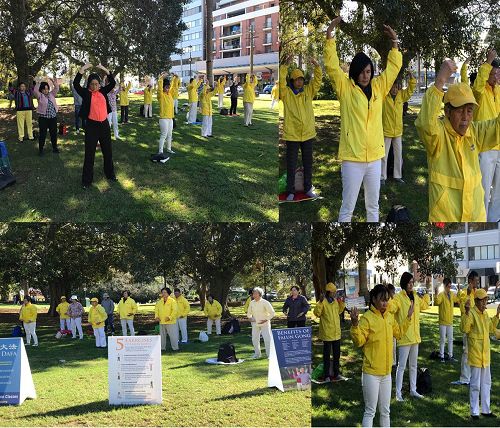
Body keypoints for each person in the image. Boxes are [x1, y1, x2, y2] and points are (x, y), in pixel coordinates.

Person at [325, 17, 402, 222]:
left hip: (375, 157)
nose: (365, 76)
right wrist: (330, 36)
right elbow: (332, 67)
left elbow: (393, 70)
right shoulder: (345, 88)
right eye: (361, 72)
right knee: (347, 208)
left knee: (373, 207)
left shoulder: (379, 87)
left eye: (368, 71)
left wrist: (394, 44)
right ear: (354, 72)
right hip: (352, 159)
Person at [415, 60, 500, 221]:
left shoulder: (474, 132)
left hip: (476, 215)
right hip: (446, 216)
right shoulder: (438, 136)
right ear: (447, 111)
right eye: (460, 111)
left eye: (469, 111)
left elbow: (497, 127)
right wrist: (440, 81)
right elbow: (425, 124)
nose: (465, 118)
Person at [351, 284, 413, 427]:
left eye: (387, 299)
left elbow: (399, 333)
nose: (385, 303)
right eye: (382, 299)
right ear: (373, 299)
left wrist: (408, 317)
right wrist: (355, 325)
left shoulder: (390, 317)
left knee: (385, 411)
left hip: (386, 373)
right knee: (370, 411)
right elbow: (359, 341)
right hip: (371, 373)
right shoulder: (367, 318)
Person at [279, 56, 322, 201]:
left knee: (308, 163)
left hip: (308, 134)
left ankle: (308, 188)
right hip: (292, 135)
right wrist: (285, 65)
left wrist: (317, 67)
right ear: (292, 80)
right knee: (291, 164)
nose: (300, 81)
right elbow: (280, 81)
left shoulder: (308, 92)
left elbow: (317, 82)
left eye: (302, 79)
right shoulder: (285, 93)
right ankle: (290, 191)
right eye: (297, 79)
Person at [73, 63, 117, 189]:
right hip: (92, 126)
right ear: (89, 84)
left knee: (107, 152)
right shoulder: (86, 93)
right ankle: (87, 181)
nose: (94, 86)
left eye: (96, 84)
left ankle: (110, 174)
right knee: (89, 154)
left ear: (99, 84)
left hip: (104, 125)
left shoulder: (103, 91)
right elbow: (76, 84)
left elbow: (112, 83)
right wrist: (82, 69)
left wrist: (104, 69)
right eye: (92, 84)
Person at [461, 288, 499, 419]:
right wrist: (466, 313)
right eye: (482, 301)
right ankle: (474, 412)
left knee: (486, 383)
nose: (484, 303)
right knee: (475, 384)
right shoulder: (471, 313)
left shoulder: (486, 315)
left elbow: (491, 329)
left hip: (486, 356)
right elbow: (464, 329)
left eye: (486, 300)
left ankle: (486, 410)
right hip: (476, 355)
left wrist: (497, 316)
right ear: (476, 301)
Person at [393, 272, 430, 401]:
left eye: (412, 282)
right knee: (401, 366)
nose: (411, 285)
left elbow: (425, 305)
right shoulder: (398, 298)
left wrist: (427, 289)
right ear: (404, 283)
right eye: (409, 282)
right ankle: (398, 393)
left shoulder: (415, 295)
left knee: (413, 365)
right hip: (404, 337)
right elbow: (391, 308)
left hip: (415, 337)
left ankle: (413, 390)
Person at [472, 49, 500, 221]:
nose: (496, 76)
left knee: (498, 190)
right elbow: (476, 88)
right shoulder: (480, 92)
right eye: (493, 72)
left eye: (498, 73)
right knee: (483, 186)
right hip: (485, 146)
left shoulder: (498, 90)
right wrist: (488, 61)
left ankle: (494, 218)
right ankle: (481, 218)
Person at [381, 71, 417, 185]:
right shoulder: (383, 97)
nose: (395, 89)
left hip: (398, 132)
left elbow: (410, 90)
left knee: (398, 154)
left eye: (397, 87)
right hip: (386, 130)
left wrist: (412, 79)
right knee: (384, 155)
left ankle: (398, 176)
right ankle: (382, 177)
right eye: (393, 87)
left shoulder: (402, 95)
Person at [313, 282, 346, 382]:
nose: (335, 293)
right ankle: (326, 375)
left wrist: (342, 303)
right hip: (327, 333)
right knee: (326, 356)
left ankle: (336, 374)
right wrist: (319, 302)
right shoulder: (323, 302)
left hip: (336, 333)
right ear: (328, 292)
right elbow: (317, 313)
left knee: (337, 355)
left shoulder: (336, 301)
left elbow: (339, 311)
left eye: (335, 292)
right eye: (333, 292)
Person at [452, 270, 479, 385]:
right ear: (470, 281)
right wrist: (468, 294)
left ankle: (474, 376)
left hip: (477, 327)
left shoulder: (476, 293)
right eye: (475, 281)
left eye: (478, 281)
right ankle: (464, 378)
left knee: (476, 352)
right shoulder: (464, 293)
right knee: (466, 352)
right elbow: (464, 309)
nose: (477, 283)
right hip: (468, 327)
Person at [33, 75, 60, 156]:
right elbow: (35, 91)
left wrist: (54, 83)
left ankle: (55, 148)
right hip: (43, 119)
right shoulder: (40, 96)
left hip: (53, 118)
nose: (46, 90)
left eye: (47, 88)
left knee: (53, 134)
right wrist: (38, 82)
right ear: (41, 89)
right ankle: (41, 150)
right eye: (44, 89)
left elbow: (56, 89)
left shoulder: (51, 94)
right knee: (43, 134)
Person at [247, 287, 276, 358]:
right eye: (253, 293)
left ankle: (269, 355)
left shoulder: (265, 302)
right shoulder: (251, 303)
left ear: (260, 294)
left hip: (265, 324)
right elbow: (249, 313)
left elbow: (272, 313)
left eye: (255, 293)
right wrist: (250, 318)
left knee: (267, 339)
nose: (253, 295)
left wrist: (266, 319)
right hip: (255, 324)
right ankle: (257, 354)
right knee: (255, 339)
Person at [435, 278, 459, 362]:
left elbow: (457, 300)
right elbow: (437, 302)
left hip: (450, 321)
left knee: (450, 339)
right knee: (442, 339)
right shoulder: (441, 294)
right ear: (444, 286)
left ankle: (450, 355)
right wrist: (436, 294)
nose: (449, 288)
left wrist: (459, 291)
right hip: (443, 321)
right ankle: (441, 356)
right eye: (448, 286)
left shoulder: (452, 294)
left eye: (450, 286)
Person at [157, 72, 175, 155]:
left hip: (170, 118)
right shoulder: (161, 95)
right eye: (166, 87)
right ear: (163, 87)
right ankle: (160, 151)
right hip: (163, 118)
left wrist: (175, 78)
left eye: (168, 87)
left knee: (170, 135)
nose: (168, 88)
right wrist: (161, 78)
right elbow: (159, 89)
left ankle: (168, 149)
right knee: (163, 134)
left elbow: (174, 87)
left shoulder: (170, 95)